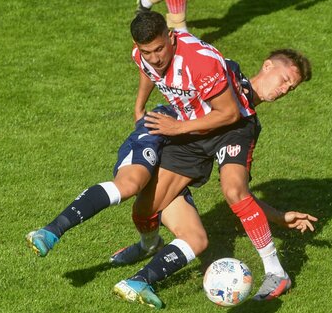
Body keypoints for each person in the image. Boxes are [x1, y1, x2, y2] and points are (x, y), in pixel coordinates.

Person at [111, 11, 314, 309]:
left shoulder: (247, 120)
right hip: (196, 133)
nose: (284, 90)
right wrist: (140, 106)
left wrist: (275, 217)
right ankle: (147, 245)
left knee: (232, 190)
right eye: (284, 79)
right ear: (267, 65)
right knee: (145, 208)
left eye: (291, 88)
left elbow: (239, 191)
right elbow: (153, 66)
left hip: (233, 128)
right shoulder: (220, 70)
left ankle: (276, 272)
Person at [25, 104, 184, 258]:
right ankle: (53, 230)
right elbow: (153, 75)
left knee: (194, 237)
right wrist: (139, 107)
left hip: (194, 145)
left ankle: (149, 248)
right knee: (129, 185)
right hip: (165, 123)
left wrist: (184, 129)